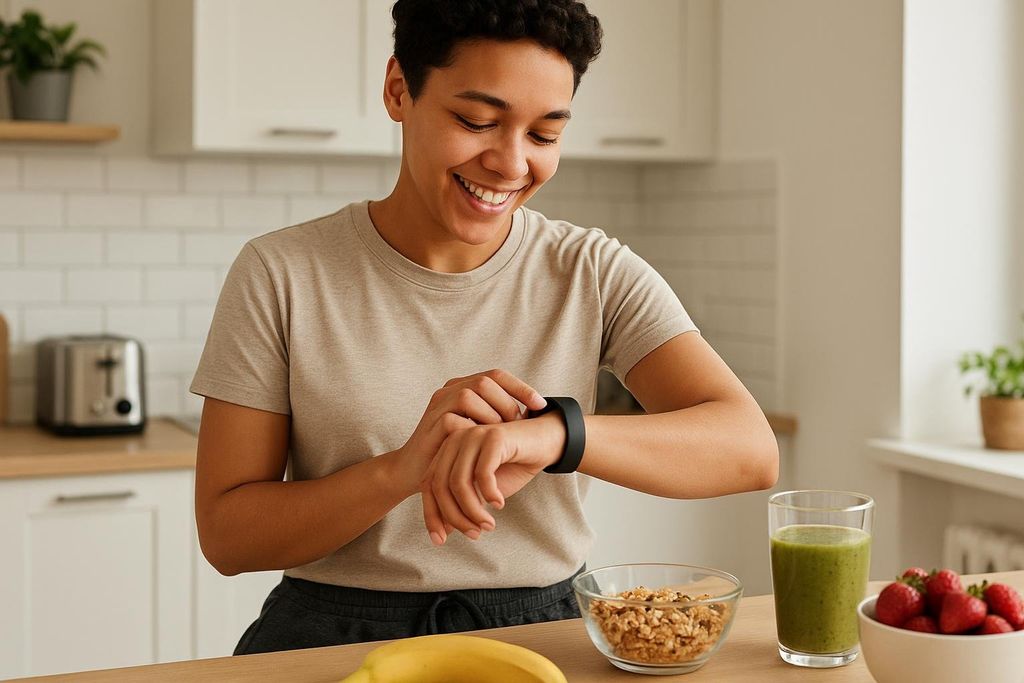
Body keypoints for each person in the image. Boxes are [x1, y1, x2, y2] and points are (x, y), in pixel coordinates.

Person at [190, 0, 779, 656]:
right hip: (328, 640)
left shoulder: (591, 269)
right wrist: (403, 470)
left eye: (545, 134)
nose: (510, 162)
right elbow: (226, 534)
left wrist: (555, 434)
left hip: (544, 636)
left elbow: (749, 447)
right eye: (477, 120)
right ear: (397, 90)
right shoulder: (282, 272)